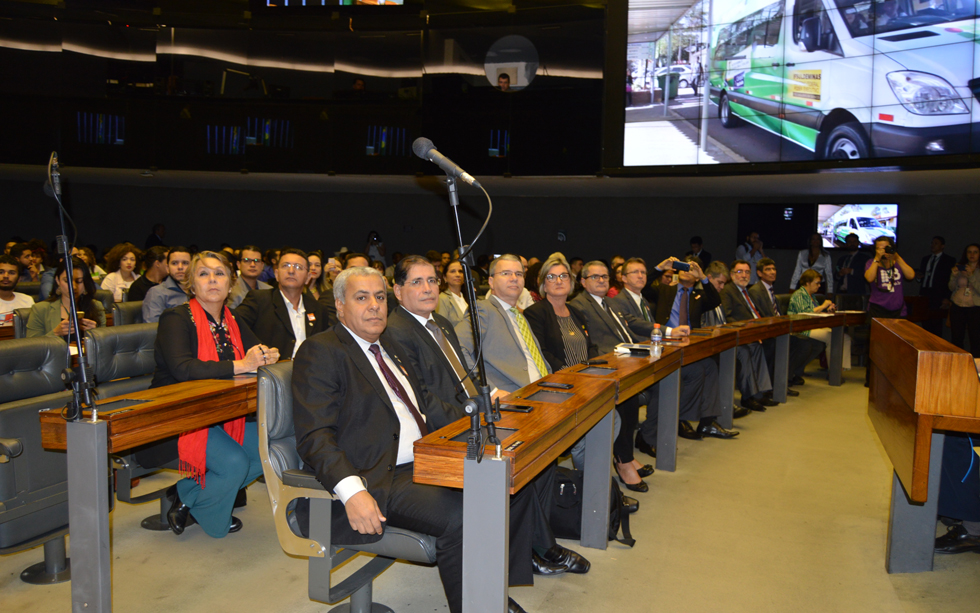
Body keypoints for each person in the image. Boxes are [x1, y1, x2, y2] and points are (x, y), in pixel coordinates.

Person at [293, 266, 528, 613]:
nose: (374, 306)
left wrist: (478, 415)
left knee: (505, 481)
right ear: (340, 305)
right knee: (464, 515)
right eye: (362, 298)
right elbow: (315, 436)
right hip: (379, 474)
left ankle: (488, 595)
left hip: (426, 458)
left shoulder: (387, 343)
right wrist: (352, 491)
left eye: (379, 297)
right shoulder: (321, 351)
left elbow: (425, 401)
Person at [385, 255, 591, 578]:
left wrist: (487, 398)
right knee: (512, 460)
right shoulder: (396, 332)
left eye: (431, 281)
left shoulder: (438, 323)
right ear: (397, 290)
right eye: (416, 282)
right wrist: (478, 413)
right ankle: (537, 550)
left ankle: (531, 548)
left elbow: (464, 375)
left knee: (540, 453)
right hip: (445, 428)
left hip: (472, 411)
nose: (427, 289)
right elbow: (422, 399)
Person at [149, 250, 279, 538]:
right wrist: (242, 364)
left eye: (219, 273)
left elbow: (254, 351)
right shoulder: (176, 318)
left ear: (230, 284)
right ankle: (203, 506)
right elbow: (183, 368)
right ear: (191, 284)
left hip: (219, 412)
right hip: (176, 415)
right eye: (203, 274)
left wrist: (266, 354)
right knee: (234, 463)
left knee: (267, 451)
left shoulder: (231, 320)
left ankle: (187, 495)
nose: (212, 280)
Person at [705, 260, 775, 414]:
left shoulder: (747, 291)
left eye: (747, 272)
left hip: (752, 332)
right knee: (749, 349)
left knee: (763, 344)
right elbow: (727, 317)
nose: (744, 275)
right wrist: (747, 330)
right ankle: (749, 396)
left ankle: (760, 392)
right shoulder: (727, 290)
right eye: (739, 272)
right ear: (731, 275)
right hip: (738, 334)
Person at [234, 248, 327, 359]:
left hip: (308, 372)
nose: (291, 271)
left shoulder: (318, 309)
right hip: (271, 372)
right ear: (277, 274)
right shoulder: (259, 300)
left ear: (307, 278)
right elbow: (233, 326)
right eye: (285, 266)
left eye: (298, 267)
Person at [749, 258, 825, 388]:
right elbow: (762, 316)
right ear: (759, 273)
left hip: (780, 329)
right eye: (768, 269)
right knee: (802, 344)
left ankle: (788, 376)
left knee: (809, 343)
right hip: (769, 332)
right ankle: (783, 381)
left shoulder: (770, 290)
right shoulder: (756, 291)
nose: (772, 272)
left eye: (774, 269)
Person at [788, 269, 852, 371]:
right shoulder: (799, 295)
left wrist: (828, 311)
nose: (819, 286)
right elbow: (804, 315)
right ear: (807, 283)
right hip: (802, 328)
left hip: (813, 327)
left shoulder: (812, 296)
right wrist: (823, 306)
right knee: (832, 337)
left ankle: (842, 367)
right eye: (817, 283)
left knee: (845, 337)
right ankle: (834, 370)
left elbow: (816, 313)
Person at [26, 256, 105, 337]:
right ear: (58, 281)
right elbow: (32, 346)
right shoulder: (40, 309)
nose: (74, 286)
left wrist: (96, 334)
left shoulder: (97, 307)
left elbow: (105, 345)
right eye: (67, 281)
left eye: (79, 281)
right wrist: (55, 333)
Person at [918, 236, 957, 337]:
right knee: (924, 322)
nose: (933, 245)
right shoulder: (926, 259)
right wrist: (919, 277)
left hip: (938, 295)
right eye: (932, 243)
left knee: (936, 325)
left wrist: (947, 298)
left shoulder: (949, 260)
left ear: (942, 246)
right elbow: (921, 275)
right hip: (925, 294)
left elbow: (950, 280)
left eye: (936, 243)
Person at [143, 247, 192, 323]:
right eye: (174, 263)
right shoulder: (157, 293)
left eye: (185, 263)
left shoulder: (199, 291)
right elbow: (152, 329)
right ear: (167, 268)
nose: (180, 267)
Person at [948, 243, 980, 357]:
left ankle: (976, 366)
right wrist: (954, 276)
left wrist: (971, 275)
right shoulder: (960, 266)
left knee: (975, 338)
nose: (972, 255)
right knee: (956, 337)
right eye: (969, 252)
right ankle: (958, 362)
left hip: (975, 308)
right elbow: (951, 288)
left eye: (975, 252)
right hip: (957, 306)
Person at [227, 245, 271, 309]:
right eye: (247, 260)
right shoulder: (230, 291)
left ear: (262, 265)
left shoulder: (269, 290)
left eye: (256, 260)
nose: (252, 265)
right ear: (238, 264)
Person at [0, 254, 35, 326]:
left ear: (19, 279)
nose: (6, 276)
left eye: (11, 273)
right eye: (1, 272)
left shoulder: (27, 301)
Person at [835, 233, 870, 298]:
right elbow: (835, 276)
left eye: (854, 242)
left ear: (858, 243)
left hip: (856, 294)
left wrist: (851, 271)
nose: (852, 244)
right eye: (850, 242)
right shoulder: (842, 259)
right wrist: (839, 274)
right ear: (846, 244)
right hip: (841, 293)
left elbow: (867, 276)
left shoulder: (865, 259)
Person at [437, 259, 469, 327]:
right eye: (453, 271)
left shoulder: (468, 297)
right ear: (445, 277)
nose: (458, 275)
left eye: (460, 271)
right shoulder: (442, 298)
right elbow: (442, 328)